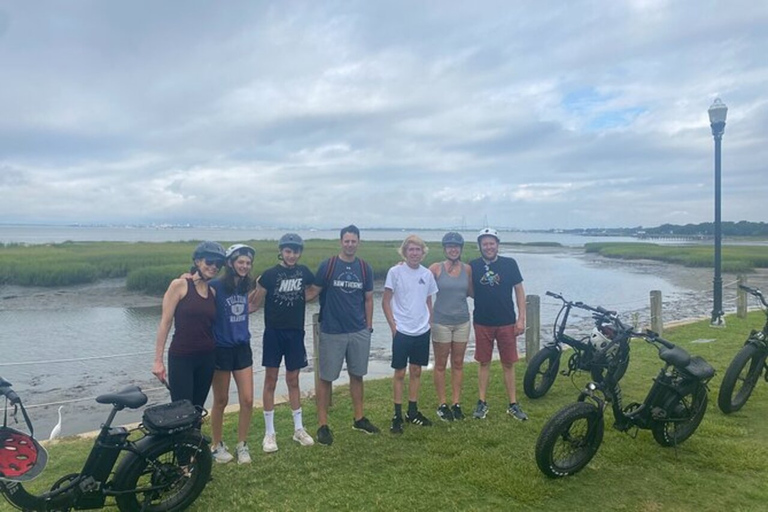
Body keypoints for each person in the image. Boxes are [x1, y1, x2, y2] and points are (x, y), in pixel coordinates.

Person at [314, 225, 379, 445]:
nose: (350, 244)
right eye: (346, 241)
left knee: (357, 375)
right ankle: (323, 425)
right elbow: (313, 291)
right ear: (341, 241)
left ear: (359, 242)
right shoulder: (329, 265)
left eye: (354, 241)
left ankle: (359, 418)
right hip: (332, 330)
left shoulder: (364, 268)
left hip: (358, 330)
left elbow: (369, 298)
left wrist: (368, 327)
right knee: (326, 378)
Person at [251, 234, 317, 452]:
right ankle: (270, 433)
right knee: (270, 380)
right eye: (288, 251)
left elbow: (316, 287)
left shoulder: (304, 271)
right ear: (282, 251)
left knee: (293, 380)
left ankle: (298, 429)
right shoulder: (269, 275)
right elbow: (254, 302)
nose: (292, 255)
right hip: (273, 334)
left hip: (296, 333)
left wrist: (303, 297)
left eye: (296, 251)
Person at [152, 241, 224, 416]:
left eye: (218, 264)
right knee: (181, 411)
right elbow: (165, 322)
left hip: (207, 357)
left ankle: (193, 443)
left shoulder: (212, 292)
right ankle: (178, 443)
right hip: (182, 357)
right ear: (198, 261)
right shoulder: (180, 285)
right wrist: (158, 360)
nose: (213, 267)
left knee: (197, 410)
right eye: (209, 262)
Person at [469, 228, 528, 421]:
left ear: (497, 245)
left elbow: (519, 291)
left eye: (491, 243)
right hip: (482, 322)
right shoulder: (473, 266)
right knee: (484, 362)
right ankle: (482, 402)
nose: (488, 247)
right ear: (480, 246)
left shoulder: (510, 264)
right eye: (484, 244)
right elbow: (464, 286)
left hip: (506, 322)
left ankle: (513, 403)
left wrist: (521, 319)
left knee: (508, 363)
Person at [382, 235, 438, 434]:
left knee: (416, 371)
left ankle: (412, 412)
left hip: (421, 330)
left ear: (423, 253)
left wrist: (429, 321)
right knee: (399, 373)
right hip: (402, 330)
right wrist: (392, 325)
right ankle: (397, 415)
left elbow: (428, 300)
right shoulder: (395, 272)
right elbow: (385, 300)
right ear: (404, 252)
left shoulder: (427, 274)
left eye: (418, 250)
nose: (414, 253)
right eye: (411, 250)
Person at [208, 244, 257, 465]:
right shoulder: (216, 286)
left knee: (247, 399)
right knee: (221, 400)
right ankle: (216, 445)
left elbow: (256, 302)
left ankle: (242, 444)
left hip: (242, 347)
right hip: (221, 348)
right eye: (240, 262)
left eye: (248, 263)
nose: (244, 266)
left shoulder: (247, 286)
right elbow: (196, 290)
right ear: (230, 263)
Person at [428, 232, 473, 422]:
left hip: (462, 321)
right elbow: (423, 289)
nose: (453, 249)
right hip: (441, 322)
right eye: (449, 246)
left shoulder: (468, 269)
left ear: (461, 249)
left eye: (456, 246)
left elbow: (471, 292)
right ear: (444, 249)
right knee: (440, 364)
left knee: (458, 363)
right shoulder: (435, 268)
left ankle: (456, 403)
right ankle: (442, 403)